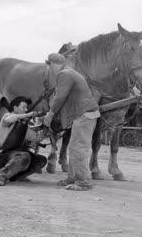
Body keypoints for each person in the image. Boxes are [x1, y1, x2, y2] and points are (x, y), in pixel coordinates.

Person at [44, 53, 100, 191]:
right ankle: (72, 178)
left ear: (52, 64)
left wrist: (50, 114)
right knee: (75, 147)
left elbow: (59, 98)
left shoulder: (64, 74)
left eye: (49, 66)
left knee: (78, 147)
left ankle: (84, 182)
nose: (49, 70)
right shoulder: (71, 73)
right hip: (85, 114)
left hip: (84, 114)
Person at [0, 96, 47, 186]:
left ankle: (15, 176)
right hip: (2, 156)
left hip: (16, 155)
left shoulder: (23, 124)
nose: (26, 110)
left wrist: (46, 129)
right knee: (25, 156)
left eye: (26, 108)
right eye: (23, 107)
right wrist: (28, 115)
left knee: (40, 160)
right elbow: (10, 119)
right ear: (15, 107)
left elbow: (37, 138)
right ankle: (0, 175)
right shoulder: (7, 117)